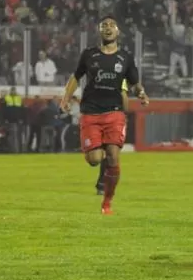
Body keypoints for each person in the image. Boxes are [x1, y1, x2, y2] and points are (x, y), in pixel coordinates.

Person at [60, 17, 149, 215]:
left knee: (113, 157)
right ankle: (96, 156)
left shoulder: (125, 57)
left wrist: (141, 94)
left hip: (114, 112)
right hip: (91, 112)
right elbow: (76, 77)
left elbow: (134, 83)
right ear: (99, 32)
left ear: (118, 31)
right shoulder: (89, 55)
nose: (108, 29)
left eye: (111, 26)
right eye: (104, 26)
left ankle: (107, 202)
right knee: (94, 159)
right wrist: (66, 97)